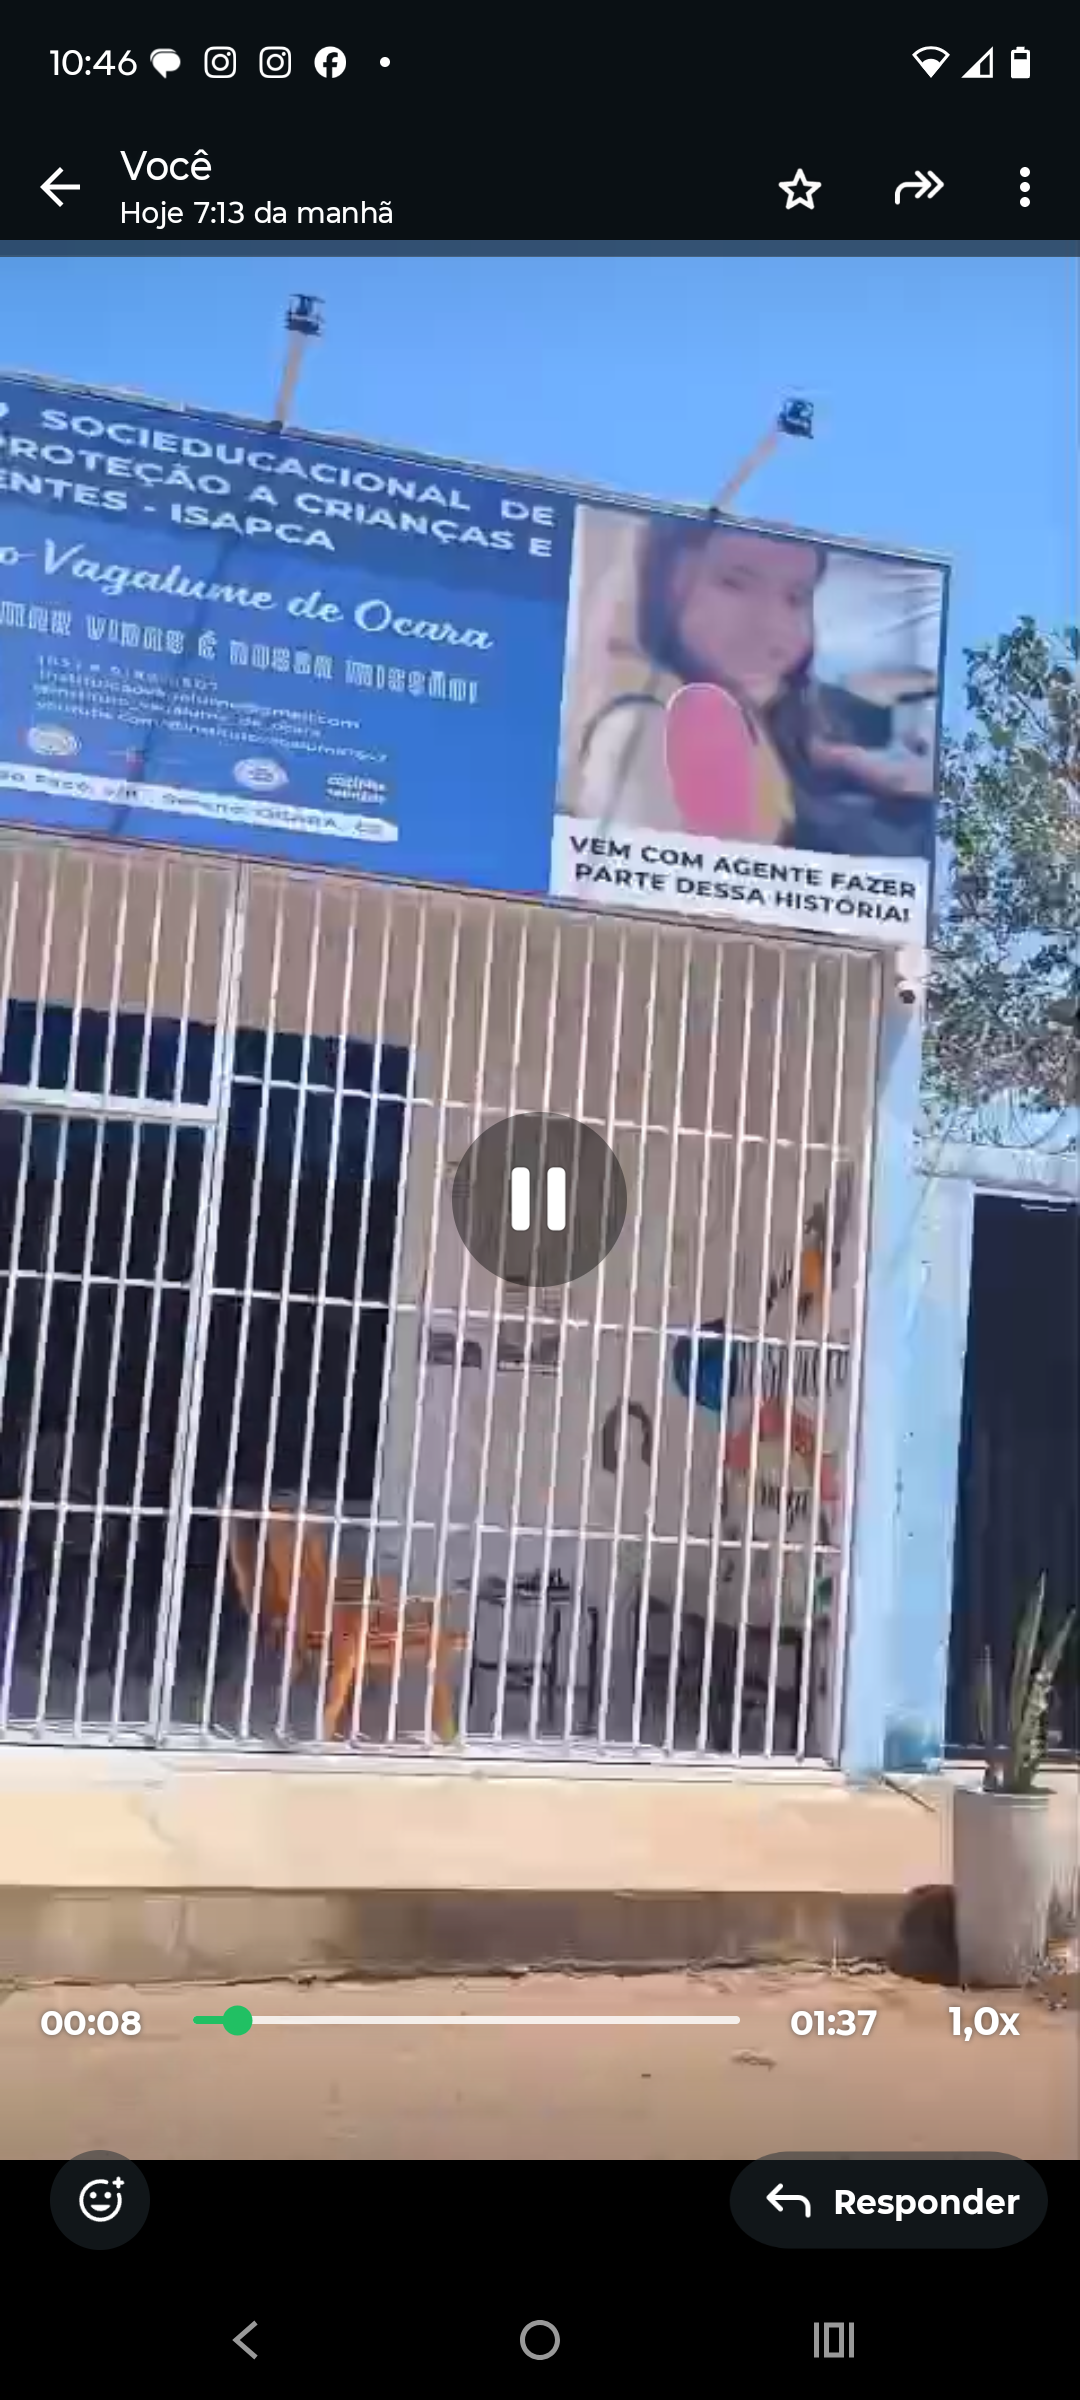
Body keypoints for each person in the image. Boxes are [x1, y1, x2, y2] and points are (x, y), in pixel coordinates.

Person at [563, 516, 936, 858]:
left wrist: (856, 764)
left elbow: (780, 745)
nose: (774, 630)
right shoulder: (646, 729)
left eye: (795, 597)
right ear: (654, 582)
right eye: (733, 584)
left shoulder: (726, 689)